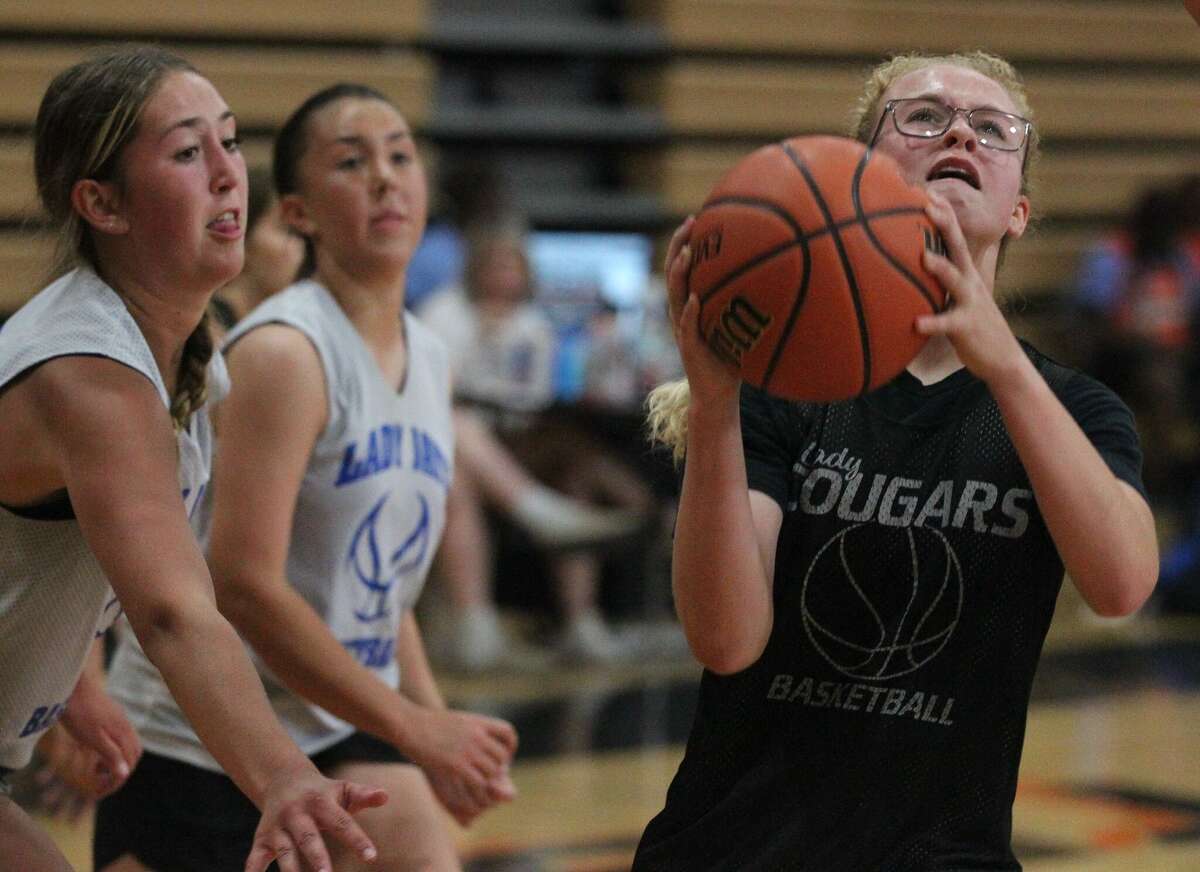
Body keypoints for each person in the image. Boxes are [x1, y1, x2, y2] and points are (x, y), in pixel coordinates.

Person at [633, 50, 1159, 870]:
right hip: (736, 849)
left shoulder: (1077, 411)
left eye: (993, 129)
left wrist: (1005, 369)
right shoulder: (783, 395)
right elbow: (727, 640)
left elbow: (1122, 584)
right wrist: (714, 402)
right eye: (922, 116)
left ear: (1018, 211)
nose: (959, 131)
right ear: (861, 172)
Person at [95, 83, 518, 871]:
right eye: (352, 163)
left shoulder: (429, 354)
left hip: (333, 721)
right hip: (204, 742)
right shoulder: (286, 355)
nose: (387, 177)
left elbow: (382, 594)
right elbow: (244, 586)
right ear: (297, 212)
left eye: (400, 156)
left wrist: (433, 730)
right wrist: (414, 727)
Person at [0, 46, 386, 872]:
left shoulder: (183, 363)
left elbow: (58, 547)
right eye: (186, 152)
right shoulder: (88, 373)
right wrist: (283, 777)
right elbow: (173, 612)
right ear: (103, 204)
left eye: (231, 141)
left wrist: (76, 684)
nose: (226, 174)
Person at [418, 224, 652, 668]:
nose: (505, 273)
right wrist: (484, 337)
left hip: (520, 439)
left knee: (574, 472)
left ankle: (582, 622)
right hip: (455, 437)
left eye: (513, 263)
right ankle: (477, 624)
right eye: (496, 262)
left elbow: (536, 395)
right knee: (458, 460)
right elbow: (436, 389)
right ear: (476, 266)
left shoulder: (534, 323)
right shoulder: (446, 312)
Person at [208, 163, 305, 337]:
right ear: (240, 237)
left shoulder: (280, 326)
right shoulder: (208, 331)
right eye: (288, 231)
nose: (302, 246)